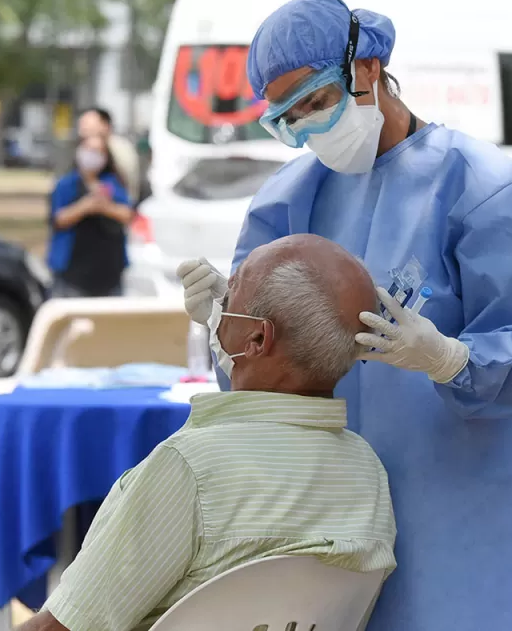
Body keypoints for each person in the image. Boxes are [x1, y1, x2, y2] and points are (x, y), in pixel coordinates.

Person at [178, 0, 512, 630]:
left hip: (462, 507)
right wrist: (226, 327)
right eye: (288, 119)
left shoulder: (480, 186)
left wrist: (449, 358)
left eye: (316, 100)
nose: (308, 127)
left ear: (368, 68)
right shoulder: (286, 204)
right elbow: (257, 380)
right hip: (331, 518)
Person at [20, 234, 397, 631]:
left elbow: (60, 628)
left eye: (230, 295)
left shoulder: (191, 470)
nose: (219, 306)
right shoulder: (368, 474)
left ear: (257, 338)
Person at [46, 134, 135, 298]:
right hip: (72, 274)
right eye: (89, 150)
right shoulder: (66, 184)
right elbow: (58, 219)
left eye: (98, 151)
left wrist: (104, 206)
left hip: (109, 274)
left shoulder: (113, 183)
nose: (92, 155)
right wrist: (85, 206)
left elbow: (127, 214)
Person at [77, 107, 142, 204]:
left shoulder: (120, 148)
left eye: (87, 125)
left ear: (105, 125)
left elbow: (129, 183)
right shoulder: (83, 148)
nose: (82, 130)